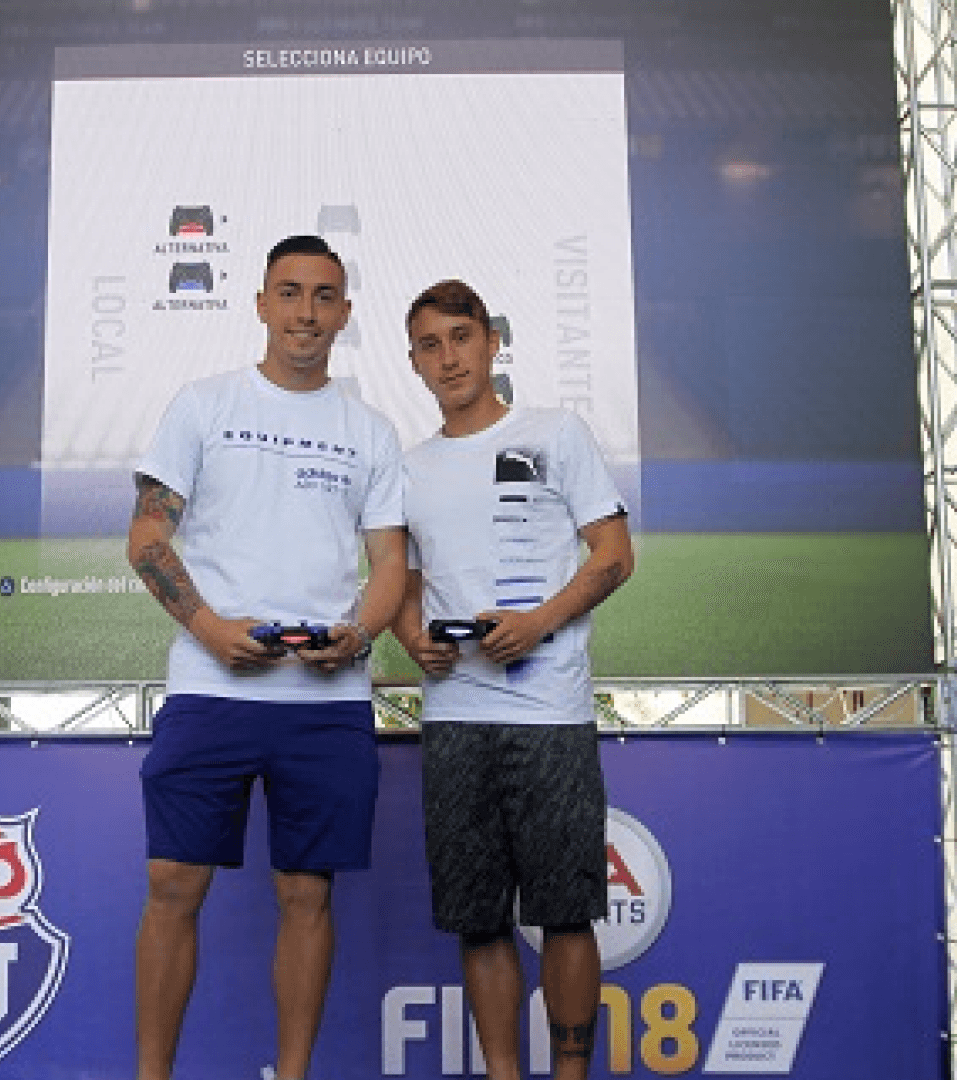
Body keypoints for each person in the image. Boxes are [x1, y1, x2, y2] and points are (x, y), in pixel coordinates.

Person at [126, 235, 407, 1080]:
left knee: (306, 894)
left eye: (323, 296)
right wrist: (210, 630)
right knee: (173, 884)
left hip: (326, 702)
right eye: (289, 293)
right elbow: (147, 538)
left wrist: (358, 634)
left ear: (344, 313)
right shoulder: (203, 404)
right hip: (210, 689)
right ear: (260, 304)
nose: (305, 313)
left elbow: (391, 565)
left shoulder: (369, 430)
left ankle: (293, 1075)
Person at [392, 279, 634, 1080]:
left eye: (461, 338)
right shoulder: (409, 469)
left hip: (551, 714)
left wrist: (539, 623)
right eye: (430, 345)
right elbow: (403, 587)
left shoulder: (555, 433)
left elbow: (614, 554)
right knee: (479, 920)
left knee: (566, 914)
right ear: (415, 363)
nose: (449, 358)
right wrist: (413, 638)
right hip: (455, 718)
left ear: (491, 342)